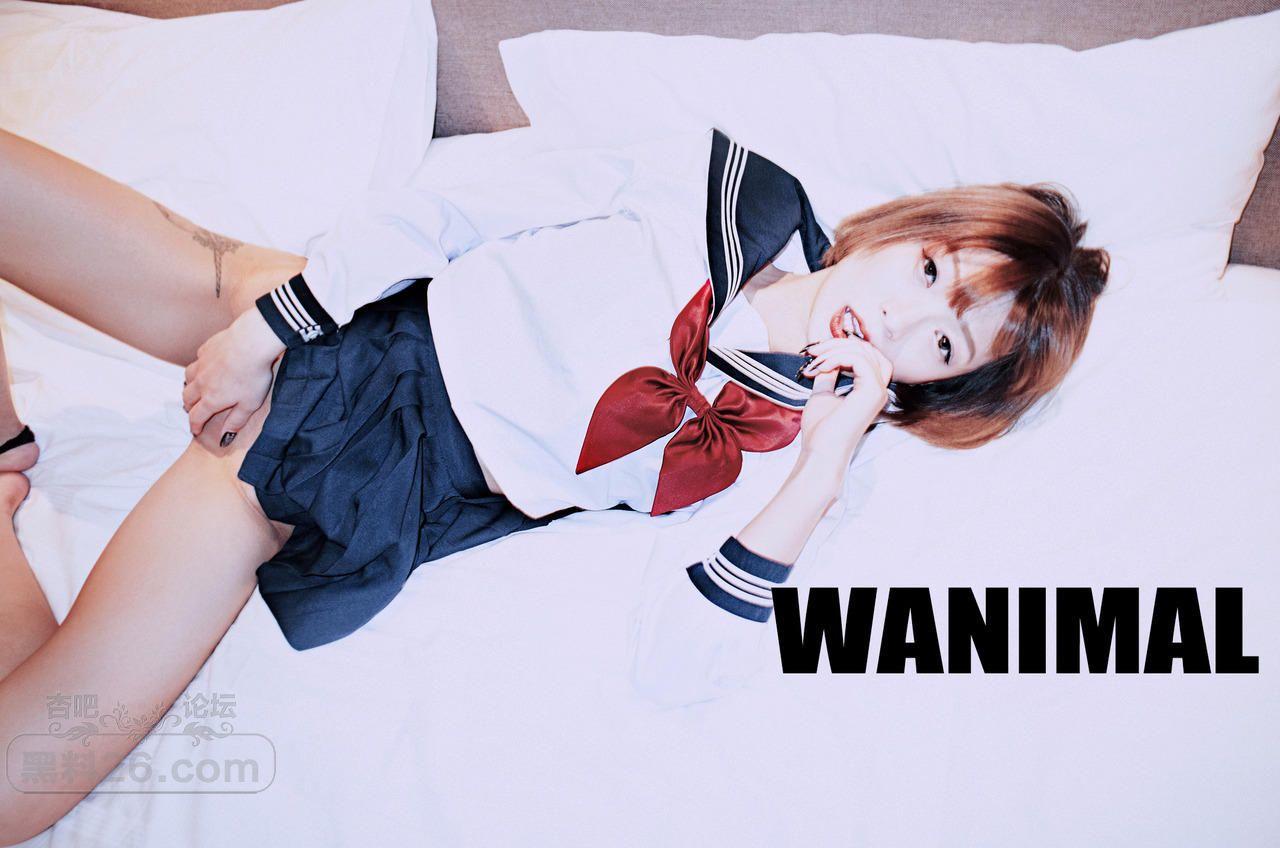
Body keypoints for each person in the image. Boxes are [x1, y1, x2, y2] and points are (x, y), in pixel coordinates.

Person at [0, 125, 1107, 843]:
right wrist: (266, 330)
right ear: (907, 228)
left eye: (943, 345)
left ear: (938, 387)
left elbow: (678, 661)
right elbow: (458, 202)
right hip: (334, 301)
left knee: (16, 787)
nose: (900, 320)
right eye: (929, 270)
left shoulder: (801, 457)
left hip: (337, 465)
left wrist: (822, 463)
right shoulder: (716, 189)